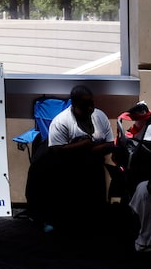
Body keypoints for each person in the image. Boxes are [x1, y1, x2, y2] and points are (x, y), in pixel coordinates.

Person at [33, 85, 115, 232]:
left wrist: (87, 148)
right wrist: (84, 145)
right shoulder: (61, 122)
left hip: (94, 166)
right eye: (85, 105)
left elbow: (110, 144)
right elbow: (56, 151)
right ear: (74, 105)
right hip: (68, 169)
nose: (90, 108)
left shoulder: (99, 116)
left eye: (92, 104)